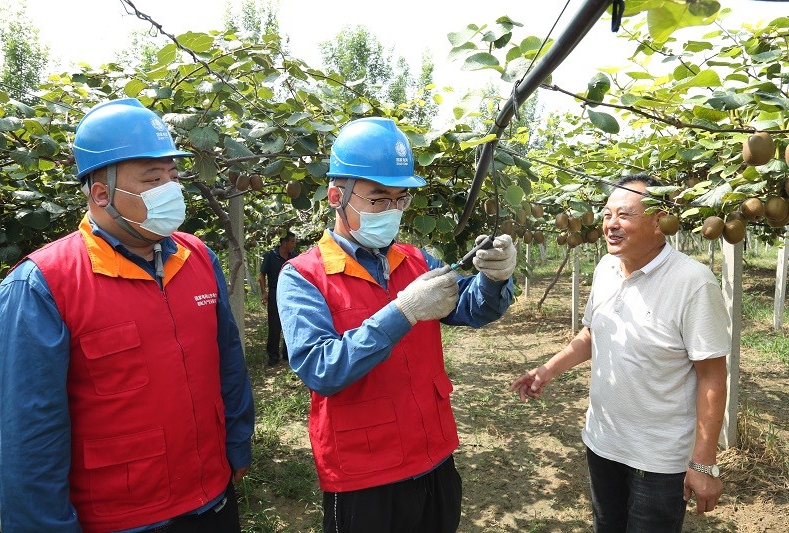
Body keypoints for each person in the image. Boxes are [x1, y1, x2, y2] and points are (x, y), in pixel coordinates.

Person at [0, 98, 255, 533]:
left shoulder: (196, 257)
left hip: (211, 499)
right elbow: (26, 437)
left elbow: (228, 363)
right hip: (121, 517)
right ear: (101, 194)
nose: (170, 189)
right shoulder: (42, 285)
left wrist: (237, 443)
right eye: (152, 179)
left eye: (173, 175)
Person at [276, 116, 517, 533]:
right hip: (364, 472)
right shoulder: (303, 276)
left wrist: (494, 279)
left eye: (400, 199)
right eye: (378, 199)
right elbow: (321, 369)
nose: (391, 211)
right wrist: (402, 312)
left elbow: (471, 308)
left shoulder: (416, 259)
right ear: (336, 196)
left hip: (434, 455)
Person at [510, 174, 730, 532]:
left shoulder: (693, 282)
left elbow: (713, 376)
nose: (611, 224)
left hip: (658, 461)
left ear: (659, 221)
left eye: (624, 215)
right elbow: (593, 334)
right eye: (607, 214)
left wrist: (704, 463)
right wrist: (547, 370)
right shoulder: (606, 268)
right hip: (603, 442)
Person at [259, 230, 298, 365]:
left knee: (291, 322)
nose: (294, 244)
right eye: (292, 242)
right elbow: (261, 275)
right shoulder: (271, 256)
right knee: (274, 325)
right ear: (284, 243)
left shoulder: (294, 256)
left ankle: (288, 353)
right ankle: (273, 355)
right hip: (275, 293)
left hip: (291, 293)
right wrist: (264, 292)